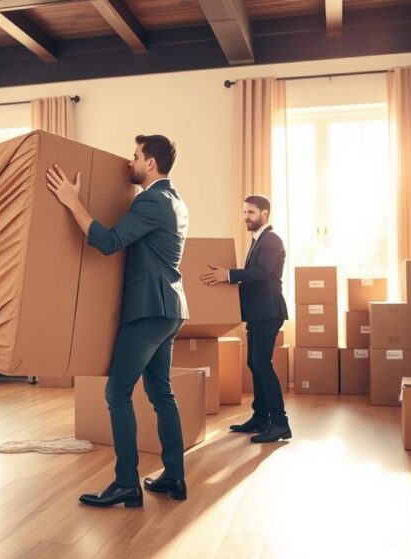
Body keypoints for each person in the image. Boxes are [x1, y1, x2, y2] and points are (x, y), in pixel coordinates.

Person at [46, 134, 189, 508]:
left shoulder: (151, 200)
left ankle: (127, 483)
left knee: (116, 393)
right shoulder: (176, 201)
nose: (131, 163)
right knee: (161, 394)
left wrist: (72, 201)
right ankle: (174, 476)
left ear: (151, 164)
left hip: (147, 310)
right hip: (170, 309)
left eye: (136, 156)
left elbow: (108, 242)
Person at [200, 195, 291, 443]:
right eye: (244, 212)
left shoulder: (271, 240)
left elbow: (261, 273)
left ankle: (280, 423)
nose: (245, 217)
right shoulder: (258, 239)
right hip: (257, 313)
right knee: (254, 364)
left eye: (250, 213)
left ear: (265, 214)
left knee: (262, 364)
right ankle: (261, 418)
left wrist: (227, 275)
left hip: (269, 311)